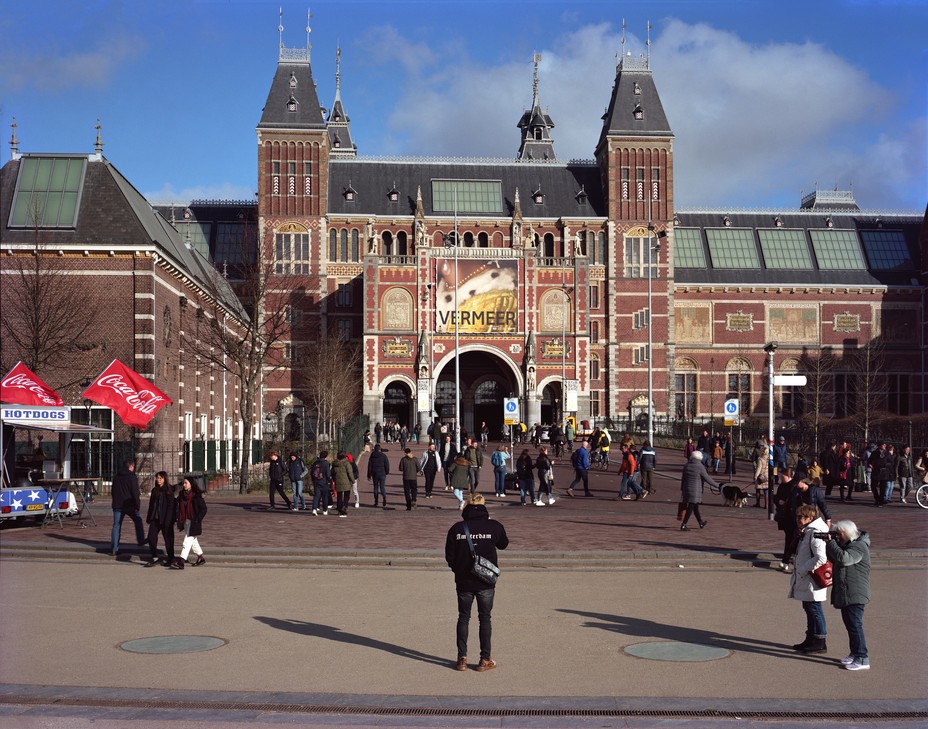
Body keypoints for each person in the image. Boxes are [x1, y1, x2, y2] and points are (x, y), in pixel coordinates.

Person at [445, 493, 509, 672]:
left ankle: (462, 659)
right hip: (485, 581)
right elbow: (504, 544)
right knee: (485, 618)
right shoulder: (494, 526)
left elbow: (449, 556)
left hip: (464, 581)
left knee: (463, 617)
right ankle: (484, 659)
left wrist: (458, 570)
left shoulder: (457, 528)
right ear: (484, 507)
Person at [824, 519, 872, 670]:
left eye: (839, 534)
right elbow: (834, 558)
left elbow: (844, 559)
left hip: (856, 593)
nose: (837, 536)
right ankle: (854, 653)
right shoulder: (848, 545)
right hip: (848, 592)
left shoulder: (859, 546)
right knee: (850, 625)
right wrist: (830, 544)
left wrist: (832, 543)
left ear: (846, 533)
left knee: (855, 625)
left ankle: (863, 658)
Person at [788, 504, 829, 654]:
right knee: (809, 607)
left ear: (810, 518)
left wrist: (803, 569)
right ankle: (810, 638)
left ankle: (820, 640)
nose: (798, 519)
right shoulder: (808, 531)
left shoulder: (816, 532)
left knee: (815, 608)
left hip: (812, 578)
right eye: (797, 516)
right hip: (807, 577)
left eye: (801, 517)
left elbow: (821, 557)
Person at [110, 460, 145, 557]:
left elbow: (113, 491)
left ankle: (114, 548)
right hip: (129, 505)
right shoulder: (131, 477)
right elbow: (135, 492)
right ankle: (141, 540)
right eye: (133, 467)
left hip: (118, 505)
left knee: (116, 526)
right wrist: (137, 505)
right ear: (130, 467)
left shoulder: (117, 477)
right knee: (138, 520)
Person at [174, 476, 207, 569]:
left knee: (187, 540)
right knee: (193, 540)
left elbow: (204, 509)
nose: (184, 485)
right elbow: (177, 505)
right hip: (185, 520)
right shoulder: (181, 495)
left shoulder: (196, 495)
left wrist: (197, 519)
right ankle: (200, 558)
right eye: (184, 483)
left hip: (194, 521)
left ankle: (181, 560)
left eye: (186, 483)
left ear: (191, 485)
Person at [679, 451, 717, 530]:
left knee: (695, 507)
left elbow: (683, 479)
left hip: (686, 489)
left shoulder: (686, 466)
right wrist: (717, 485)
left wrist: (682, 489)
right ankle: (684, 524)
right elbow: (707, 478)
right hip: (695, 490)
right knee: (691, 506)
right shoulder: (700, 466)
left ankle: (700, 523)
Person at [145, 471, 176, 566]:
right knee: (151, 537)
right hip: (155, 518)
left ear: (164, 479)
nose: (158, 480)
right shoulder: (155, 490)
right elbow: (151, 505)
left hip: (166, 519)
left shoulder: (169, 490)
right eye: (157, 478)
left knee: (168, 539)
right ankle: (155, 557)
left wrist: (168, 521)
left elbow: (171, 506)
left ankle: (171, 558)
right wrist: (149, 517)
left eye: (160, 478)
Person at [367, 444, 390, 509]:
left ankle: (376, 501)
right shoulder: (383, 456)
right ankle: (384, 496)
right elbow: (387, 464)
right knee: (382, 487)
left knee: (375, 487)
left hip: (374, 473)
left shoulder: (372, 455)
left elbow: (369, 466)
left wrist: (369, 475)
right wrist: (387, 472)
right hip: (382, 472)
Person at [332, 452, 353, 517]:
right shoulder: (346, 463)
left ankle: (339, 508)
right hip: (346, 481)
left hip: (338, 481)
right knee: (347, 495)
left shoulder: (334, 464)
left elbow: (332, 473)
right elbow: (350, 472)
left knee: (339, 496)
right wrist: (353, 480)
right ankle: (344, 507)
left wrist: (334, 479)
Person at [310, 451, 332, 515]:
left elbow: (312, 472)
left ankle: (314, 509)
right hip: (324, 482)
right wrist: (329, 481)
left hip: (316, 482)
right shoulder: (326, 463)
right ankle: (325, 510)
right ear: (326, 456)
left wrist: (313, 480)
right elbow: (328, 474)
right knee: (325, 496)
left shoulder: (316, 462)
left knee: (316, 496)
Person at [751, 438, 769, 507]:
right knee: (766, 491)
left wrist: (755, 476)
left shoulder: (760, 459)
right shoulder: (769, 459)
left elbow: (758, 469)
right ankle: (766, 504)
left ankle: (758, 503)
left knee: (758, 489)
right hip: (767, 476)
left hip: (761, 476)